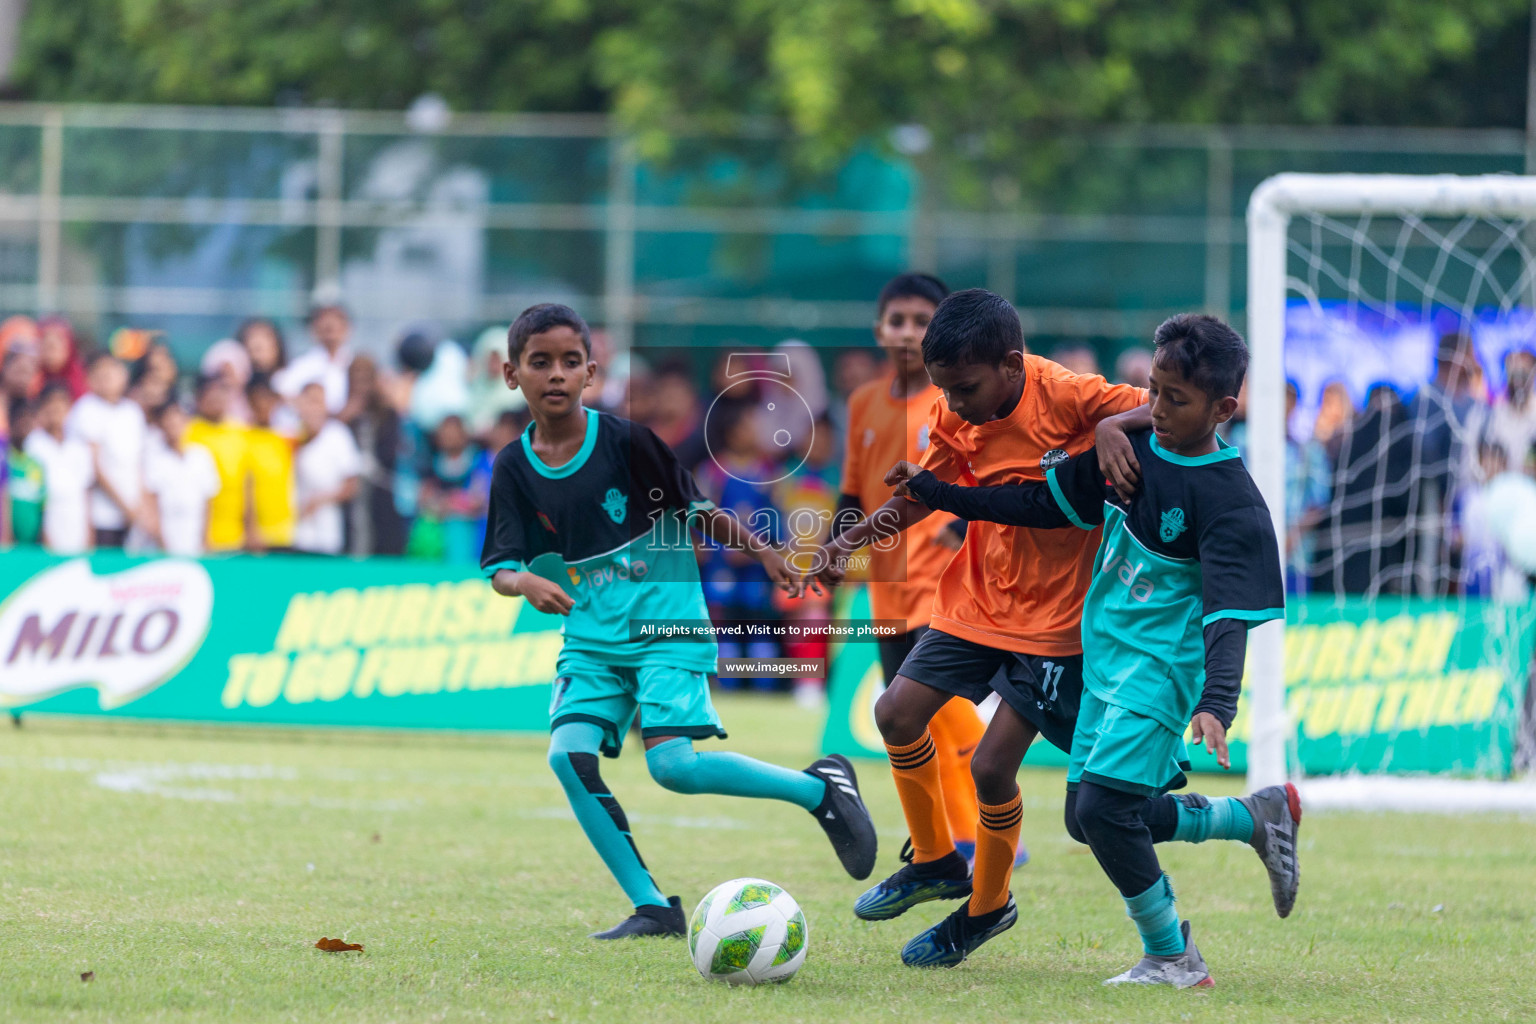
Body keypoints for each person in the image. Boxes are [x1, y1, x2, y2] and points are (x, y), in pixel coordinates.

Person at [888, 313, 1297, 987]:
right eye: (1154, 391)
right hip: (1102, 665)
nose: (1157, 410)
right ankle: (1253, 816)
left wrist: (1216, 703)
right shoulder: (1128, 457)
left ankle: (1172, 957)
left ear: (1225, 408)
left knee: (1104, 811)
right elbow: (1033, 506)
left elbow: (1228, 617)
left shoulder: (1232, 503)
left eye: (1176, 400)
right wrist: (935, 493)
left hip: (1159, 675)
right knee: (1092, 818)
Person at [481, 303, 877, 940]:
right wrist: (523, 581)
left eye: (569, 362)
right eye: (539, 362)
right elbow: (499, 565)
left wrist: (769, 554)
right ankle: (654, 907)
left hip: (668, 624)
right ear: (510, 374)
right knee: (567, 756)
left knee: (673, 767)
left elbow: (699, 511)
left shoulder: (628, 443)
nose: (556, 374)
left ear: (592, 372)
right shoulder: (513, 467)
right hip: (590, 639)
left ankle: (819, 788)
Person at [814, 288, 1149, 967]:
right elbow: (923, 494)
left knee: (994, 769)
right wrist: (850, 540)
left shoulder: (1068, 394)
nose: (954, 405)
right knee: (896, 714)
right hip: (978, 596)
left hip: (1057, 618)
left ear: (1010, 363)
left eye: (964, 389)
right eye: (945, 391)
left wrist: (1117, 427)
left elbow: (1167, 410)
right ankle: (936, 861)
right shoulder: (951, 407)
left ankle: (988, 906)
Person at [832, 273, 997, 872]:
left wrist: (960, 540)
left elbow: (982, 481)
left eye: (922, 321)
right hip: (885, 588)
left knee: (936, 709)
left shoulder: (953, 399)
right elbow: (852, 493)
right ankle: (946, 844)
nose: (908, 332)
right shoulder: (862, 403)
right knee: (907, 724)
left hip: (941, 585)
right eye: (897, 320)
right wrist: (832, 556)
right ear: (878, 329)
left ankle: (977, 837)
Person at [67, 351, 146, 548]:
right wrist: (125, 507)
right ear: (90, 379)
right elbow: (95, 468)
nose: (107, 376)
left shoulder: (133, 412)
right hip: (100, 516)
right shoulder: (86, 409)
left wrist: (140, 509)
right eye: (100, 372)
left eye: (112, 370)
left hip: (134, 515)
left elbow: (138, 463)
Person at [340, 355, 410, 556]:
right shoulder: (343, 415)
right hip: (352, 490)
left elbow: (392, 452)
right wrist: (346, 416)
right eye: (356, 378)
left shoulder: (387, 414)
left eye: (365, 378)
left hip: (381, 490)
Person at [133, 401, 220, 556]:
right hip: (164, 540)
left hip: (194, 536)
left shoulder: (201, 456)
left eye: (178, 421)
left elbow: (208, 502)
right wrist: (162, 542)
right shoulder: (154, 458)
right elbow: (151, 503)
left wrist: (206, 540)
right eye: (169, 422)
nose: (174, 426)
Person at [292, 381, 362, 555]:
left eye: (317, 402)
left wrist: (319, 500)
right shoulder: (292, 436)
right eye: (308, 401)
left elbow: (351, 485)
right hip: (295, 532)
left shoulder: (337, 435)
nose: (312, 408)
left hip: (327, 534)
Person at [25, 384, 94, 554]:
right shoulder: (34, 443)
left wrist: (90, 534)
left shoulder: (79, 445)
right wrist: (43, 533)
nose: (56, 408)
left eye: (61, 403)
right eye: (50, 403)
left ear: (70, 408)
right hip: (48, 519)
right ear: (41, 409)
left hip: (76, 520)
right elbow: (33, 494)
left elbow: (85, 492)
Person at [186, 374, 251, 552]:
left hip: (235, 535)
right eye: (211, 396)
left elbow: (247, 481)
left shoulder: (239, 431)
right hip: (198, 533)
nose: (217, 401)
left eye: (222, 395)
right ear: (199, 399)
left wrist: (250, 528)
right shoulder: (188, 432)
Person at [244, 374, 297, 552]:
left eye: (267, 399)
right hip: (258, 536)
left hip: (286, 533)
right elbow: (247, 486)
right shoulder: (244, 438)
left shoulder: (286, 439)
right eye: (257, 399)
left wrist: (285, 401)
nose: (262, 405)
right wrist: (251, 529)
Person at [276, 302, 354, 413]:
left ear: (347, 329)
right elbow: (283, 391)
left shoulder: (355, 363)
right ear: (314, 330)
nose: (331, 327)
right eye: (326, 327)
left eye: (337, 323)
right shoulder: (303, 364)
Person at [6, 397, 44, 545]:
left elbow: (42, 505)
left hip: (32, 544)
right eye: (20, 419)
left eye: (29, 419)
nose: (24, 424)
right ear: (10, 422)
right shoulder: (5, 458)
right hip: (6, 543)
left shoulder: (37, 464)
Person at [37, 316, 86, 399]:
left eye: (53, 347)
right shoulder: (32, 381)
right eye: (46, 347)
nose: (50, 354)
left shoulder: (82, 380)